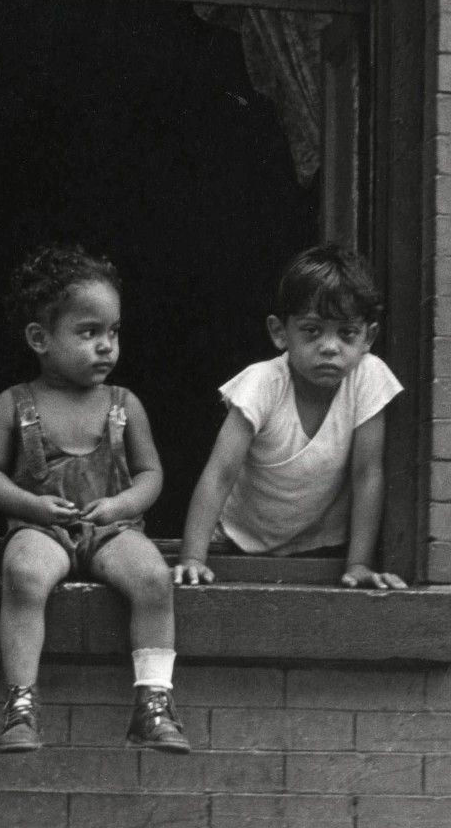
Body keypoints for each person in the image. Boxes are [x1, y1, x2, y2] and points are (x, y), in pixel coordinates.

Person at [0, 246, 188, 755]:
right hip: (41, 528)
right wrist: (30, 507)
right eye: (88, 333)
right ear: (39, 339)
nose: (106, 347)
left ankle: (153, 702)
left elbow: (151, 473)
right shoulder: (13, 404)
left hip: (112, 530)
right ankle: (20, 704)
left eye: (113, 332)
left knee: (155, 578)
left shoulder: (124, 405)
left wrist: (121, 505)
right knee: (24, 574)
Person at [174, 244, 407, 589]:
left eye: (347, 333)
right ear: (280, 333)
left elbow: (367, 473)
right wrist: (193, 558)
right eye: (312, 331)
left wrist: (358, 563)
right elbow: (221, 472)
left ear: (368, 337)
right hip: (236, 538)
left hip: (320, 545)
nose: (330, 347)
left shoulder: (368, 377)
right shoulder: (262, 383)